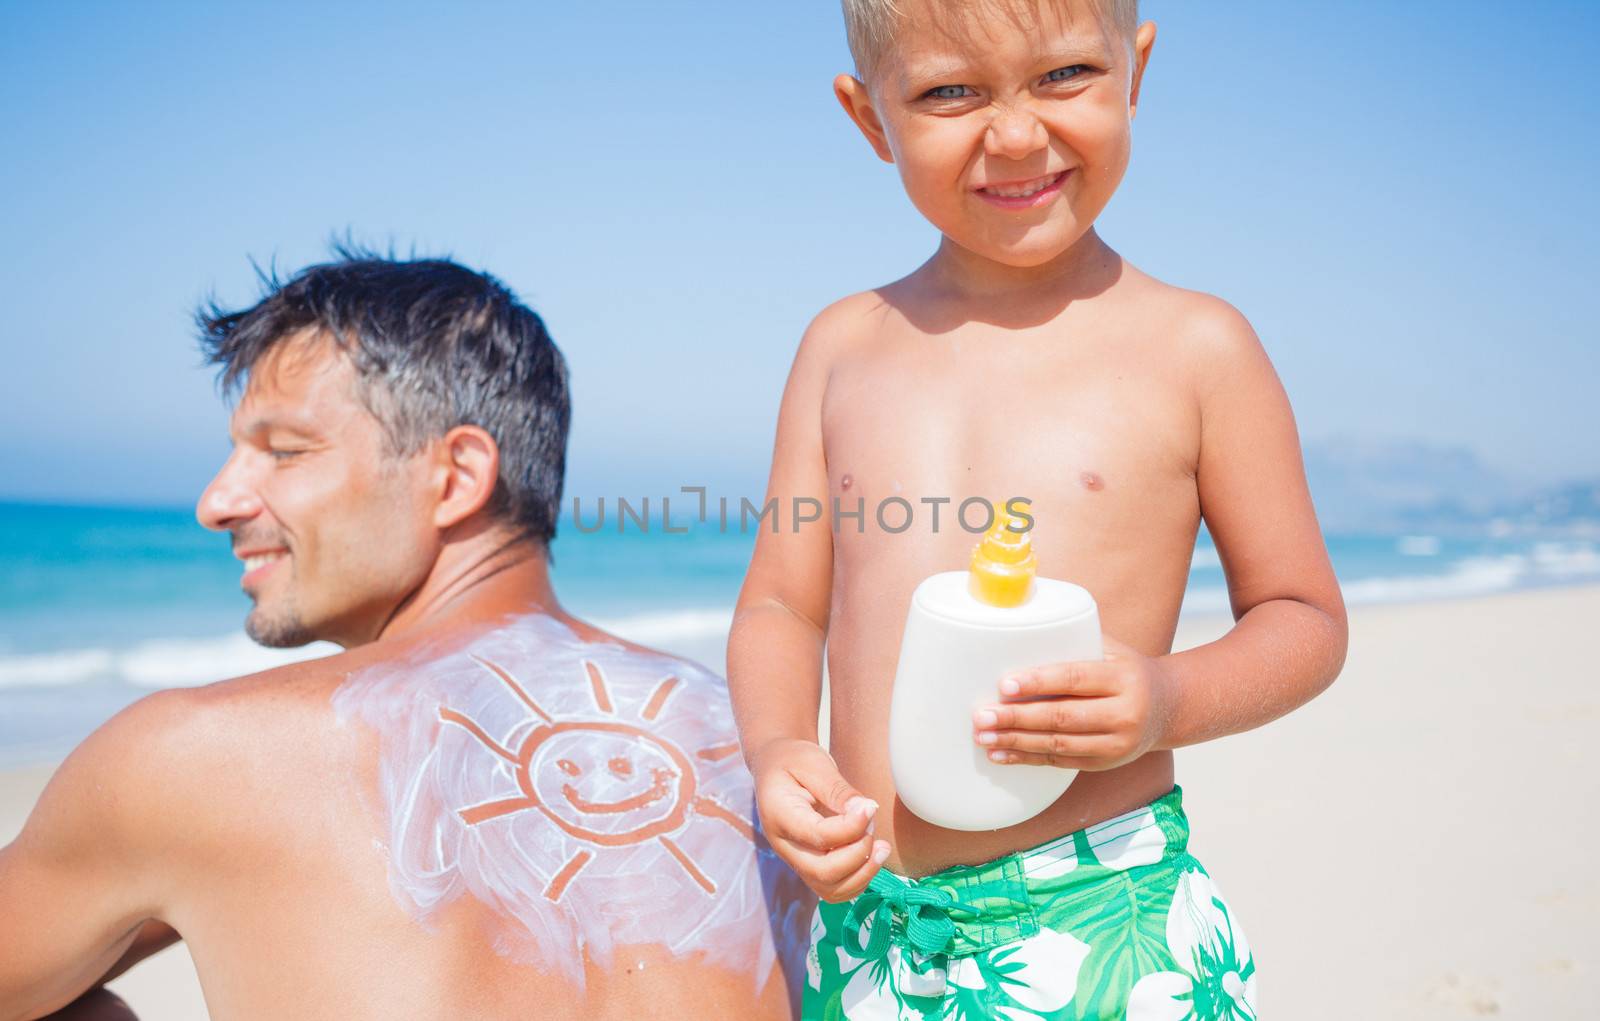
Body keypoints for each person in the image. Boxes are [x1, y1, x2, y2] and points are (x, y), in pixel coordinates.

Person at [727, 1, 1347, 1017]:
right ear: (869, 118)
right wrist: (781, 748)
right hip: (873, 927)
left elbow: (1303, 618)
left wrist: (1163, 700)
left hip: (1104, 911)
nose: (1015, 135)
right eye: (948, 93)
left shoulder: (1197, 349)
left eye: (1063, 77)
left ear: (1133, 69)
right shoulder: (840, 347)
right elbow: (781, 608)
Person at [0, 252, 808, 1021]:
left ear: (455, 476)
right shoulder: (759, 743)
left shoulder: (195, 758)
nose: (217, 499)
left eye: (284, 450)